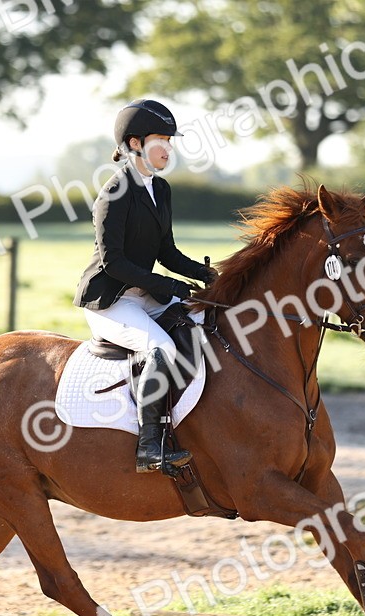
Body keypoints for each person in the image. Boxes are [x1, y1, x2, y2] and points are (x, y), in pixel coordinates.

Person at [73, 99, 215, 473]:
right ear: (134, 144)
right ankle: (150, 446)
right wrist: (168, 286)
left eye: (171, 141)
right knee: (161, 346)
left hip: (145, 295)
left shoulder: (161, 189)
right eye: (161, 140)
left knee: (202, 324)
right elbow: (113, 262)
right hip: (110, 300)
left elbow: (166, 250)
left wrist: (209, 276)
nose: (169, 149)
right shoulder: (113, 193)